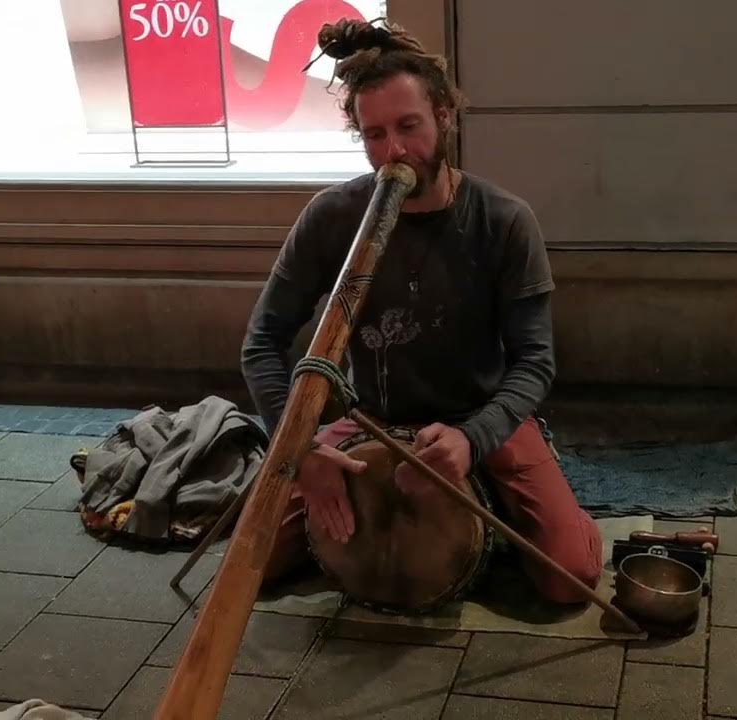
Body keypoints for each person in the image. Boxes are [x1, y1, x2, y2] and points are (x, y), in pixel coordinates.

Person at [240, 19, 601, 604]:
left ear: (445, 117)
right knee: (251, 561)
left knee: (571, 579)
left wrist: (474, 438)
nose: (395, 152)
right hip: (372, 415)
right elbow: (262, 342)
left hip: (480, 414)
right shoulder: (332, 216)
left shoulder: (504, 219)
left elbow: (535, 362)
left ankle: (506, 495)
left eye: (409, 127)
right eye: (375, 134)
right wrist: (301, 450)